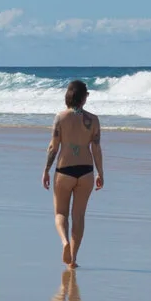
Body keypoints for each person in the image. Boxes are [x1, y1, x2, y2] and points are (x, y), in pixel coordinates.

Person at [42, 79, 103, 266]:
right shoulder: (93, 120)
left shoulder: (60, 118)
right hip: (86, 171)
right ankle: (73, 259)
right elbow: (96, 148)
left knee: (61, 213)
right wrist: (100, 173)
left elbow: (53, 147)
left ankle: (64, 242)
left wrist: (46, 170)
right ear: (84, 97)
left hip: (64, 169)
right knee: (79, 216)